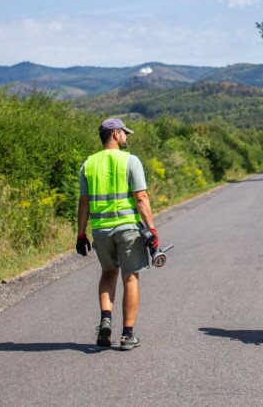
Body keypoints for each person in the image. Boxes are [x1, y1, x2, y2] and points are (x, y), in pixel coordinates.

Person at [76, 117, 159, 351]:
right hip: (128, 229)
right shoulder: (130, 161)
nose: (126, 137)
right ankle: (127, 335)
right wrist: (151, 229)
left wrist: (81, 234)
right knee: (130, 277)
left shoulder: (89, 164)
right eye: (124, 133)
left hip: (101, 231)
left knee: (108, 273)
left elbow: (84, 202)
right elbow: (141, 197)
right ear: (115, 134)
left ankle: (105, 321)